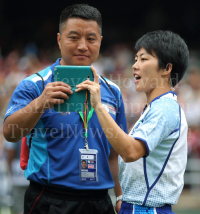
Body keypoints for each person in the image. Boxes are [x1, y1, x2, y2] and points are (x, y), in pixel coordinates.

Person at [3, 4, 127, 214]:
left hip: (99, 202)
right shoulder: (35, 84)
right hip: (49, 200)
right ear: (60, 40)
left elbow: (114, 154)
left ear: (100, 42)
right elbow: (10, 133)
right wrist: (41, 102)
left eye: (90, 38)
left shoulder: (112, 91)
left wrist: (120, 195)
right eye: (74, 37)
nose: (82, 46)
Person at [76, 30, 189, 214]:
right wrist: (122, 198)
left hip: (148, 209)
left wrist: (97, 105)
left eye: (144, 59)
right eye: (136, 59)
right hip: (135, 206)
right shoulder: (156, 107)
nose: (135, 65)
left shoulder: (165, 108)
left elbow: (130, 151)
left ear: (167, 68)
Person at [4, 139, 29, 214]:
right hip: (33, 169)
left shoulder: (13, 130)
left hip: (18, 171)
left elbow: (11, 151)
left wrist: (9, 167)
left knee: (20, 205)